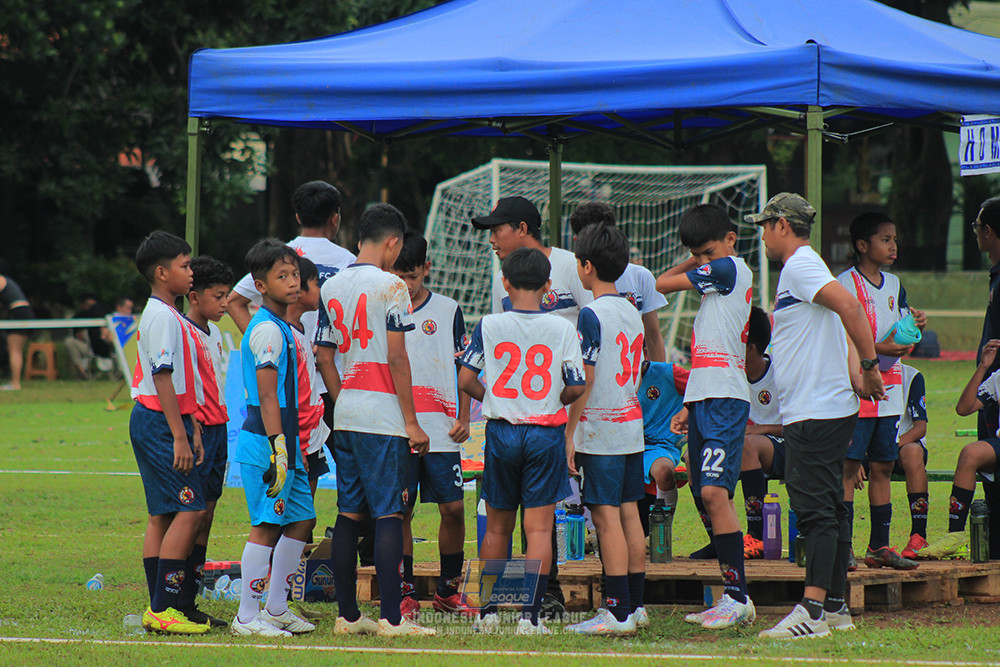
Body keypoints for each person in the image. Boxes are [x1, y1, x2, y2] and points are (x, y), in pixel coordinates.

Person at [748, 193, 884, 639]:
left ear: (782, 225)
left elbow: (851, 308)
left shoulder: (800, 265)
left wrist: (869, 367)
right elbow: (840, 320)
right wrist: (856, 372)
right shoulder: (808, 268)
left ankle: (811, 611)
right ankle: (836, 607)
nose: (762, 236)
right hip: (824, 407)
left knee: (814, 512)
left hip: (815, 411)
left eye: (765, 226)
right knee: (831, 507)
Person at [316, 203, 436, 637]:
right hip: (383, 416)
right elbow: (397, 358)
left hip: (347, 412)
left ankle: (348, 617)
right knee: (389, 514)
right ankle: (391, 618)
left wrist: (344, 400)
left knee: (349, 513)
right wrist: (412, 422)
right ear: (393, 243)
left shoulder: (331, 285)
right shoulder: (392, 286)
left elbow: (324, 356)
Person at [473, 195, 592, 618]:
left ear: (505, 283)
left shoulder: (489, 323)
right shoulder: (562, 327)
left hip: (502, 429)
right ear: (547, 287)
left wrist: (497, 397)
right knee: (539, 527)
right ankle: (531, 614)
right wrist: (551, 397)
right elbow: (576, 386)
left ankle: (488, 613)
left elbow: (466, 378)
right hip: (544, 431)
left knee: (497, 525)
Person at [655, 203, 755, 630]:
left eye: (707, 253)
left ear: (731, 240)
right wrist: (688, 404)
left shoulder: (729, 269)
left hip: (726, 399)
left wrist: (694, 262)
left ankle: (738, 598)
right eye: (697, 255)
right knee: (703, 486)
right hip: (705, 397)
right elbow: (707, 352)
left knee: (715, 493)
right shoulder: (715, 278)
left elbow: (660, 284)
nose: (702, 262)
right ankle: (731, 595)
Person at [230, 239, 317, 638]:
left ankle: (277, 607)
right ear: (260, 286)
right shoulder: (267, 329)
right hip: (269, 444)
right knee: (266, 525)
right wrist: (278, 447)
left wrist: (294, 445)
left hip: (288, 443)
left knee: (301, 520)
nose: (293, 282)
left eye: (295, 274)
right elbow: (267, 396)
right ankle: (247, 616)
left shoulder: (285, 326)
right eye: (282, 276)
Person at [563, 224, 645, 636]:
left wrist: (569, 433)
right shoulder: (632, 309)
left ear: (586, 266)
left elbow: (587, 377)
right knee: (629, 513)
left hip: (602, 429)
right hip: (631, 425)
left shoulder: (592, 313)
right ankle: (635, 605)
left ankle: (616, 612)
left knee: (605, 516)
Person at [389, 233, 473, 620]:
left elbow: (464, 365)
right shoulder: (383, 308)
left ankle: (448, 592)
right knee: (401, 512)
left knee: (453, 509)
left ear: (427, 268)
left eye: (412, 276)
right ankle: (405, 593)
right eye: (399, 276)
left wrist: (464, 417)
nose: (406, 284)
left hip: (441, 429)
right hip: (398, 428)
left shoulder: (448, 309)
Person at [128, 231, 207, 634]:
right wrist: (179, 435)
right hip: (158, 423)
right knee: (191, 510)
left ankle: (162, 605)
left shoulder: (168, 313)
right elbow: (162, 377)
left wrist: (191, 424)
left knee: (162, 513)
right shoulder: (161, 316)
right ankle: (162, 608)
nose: (191, 272)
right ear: (161, 272)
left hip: (163, 420)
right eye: (184, 265)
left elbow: (177, 382)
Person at [836, 212, 925, 570]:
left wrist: (914, 325)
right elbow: (841, 339)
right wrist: (878, 349)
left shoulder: (895, 284)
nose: (893, 246)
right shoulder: (844, 285)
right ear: (862, 245)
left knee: (883, 466)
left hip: (890, 389)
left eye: (894, 239)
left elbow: (900, 327)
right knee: (848, 467)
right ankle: (843, 547)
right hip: (856, 389)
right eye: (885, 239)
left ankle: (879, 546)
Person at [179, 255, 235, 628]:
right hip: (198, 430)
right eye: (218, 296)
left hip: (219, 429)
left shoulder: (212, 333)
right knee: (190, 514)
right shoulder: (182, 331)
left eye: (228, 295)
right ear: (195, 296)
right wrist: (192, 427)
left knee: (208, 512)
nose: (225, 303)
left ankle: (190, 599)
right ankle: (172, 597)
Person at [920, 339, 1000, 559]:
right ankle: (955, 535)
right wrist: (983, 366)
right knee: (969, 453)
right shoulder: (998, 378)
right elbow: (964, 408)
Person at [568, 203, 669, 362]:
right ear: (577, 241)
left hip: (629, 372)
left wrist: (659, 374)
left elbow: (653, 335)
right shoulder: (573, 277)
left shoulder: (640, 276)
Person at [737, 306, 784, 558]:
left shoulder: (783, 372)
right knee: (694, 456)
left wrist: (760, 429)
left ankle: (756, 536)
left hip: (788, 445)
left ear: (750, 348)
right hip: (750, 445)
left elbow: (803, 423)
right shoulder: (732, 375)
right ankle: (717, 538)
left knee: (748, 445)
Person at [285, 256, 331, 500]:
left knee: (305, 510)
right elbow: (280, 394)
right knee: (294, 510)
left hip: (310, 432)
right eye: (316, 284)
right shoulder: (280, 333)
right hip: (297, 438)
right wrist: (296, 445)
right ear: (299, 290)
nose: (320, 291)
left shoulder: (301, 329)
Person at [972, 197, 1000, 558]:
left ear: (988, 231)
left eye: (977, 226)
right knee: (990, 480)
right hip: (989, 392)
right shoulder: (995, 276)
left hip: (996, 394)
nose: (976, 233)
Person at [637, 359, 690, 536]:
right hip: (620, 445)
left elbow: (704, 387)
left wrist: (689, 412)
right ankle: (594, 532)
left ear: (644, 353)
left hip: (659, 447)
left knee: (664, 471)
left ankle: (661, 534)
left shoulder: (668, 373)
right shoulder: (613, 376)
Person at [0, 270, 34, 390]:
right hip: (22, 313)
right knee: (15, 350)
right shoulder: (8, 281)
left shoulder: (1, 280)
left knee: (14, 350)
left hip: (18, 314)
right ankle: (14, 382)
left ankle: (15, 383)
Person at [64, 295, 101, 380]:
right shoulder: (78, 317)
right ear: (82, 305)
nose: (91, 308)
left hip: (99, 347)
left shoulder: (100, 315)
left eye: (93, 306)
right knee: (69, 342)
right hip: (86, 345)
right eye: (88, 305)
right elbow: (78, 335)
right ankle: (81, 371)